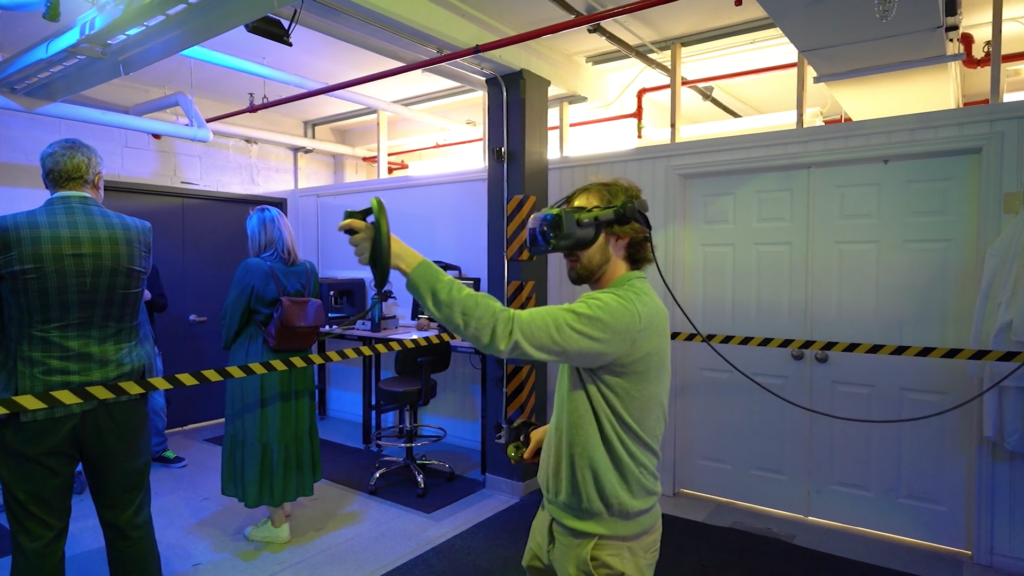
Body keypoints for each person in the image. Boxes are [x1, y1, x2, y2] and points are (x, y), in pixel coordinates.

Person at [340, 179, 671, 576]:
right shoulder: (616, 306)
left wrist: (402, 258)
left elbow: (502, 330)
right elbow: (609, 399)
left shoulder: (621, 312)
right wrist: (557, 429)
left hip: (602, 544)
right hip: (562, 522)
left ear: (620, 235)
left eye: (578, 230)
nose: (564, 248)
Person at [0, 138, 162, 576]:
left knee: (37, 536)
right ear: (99, 180)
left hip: (35, 403)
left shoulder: (9, 231)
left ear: (45, 181)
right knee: (130, 522)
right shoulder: (136, 232)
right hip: (120, 399)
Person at [220, 205, 322, 544]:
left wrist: (227, 343)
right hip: (298, 366)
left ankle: (277, 522)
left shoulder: (252, 268)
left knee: (261, 431)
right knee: (290, 430)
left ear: (257, 235)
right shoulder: (309, 269)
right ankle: (286, 503)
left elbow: (231, 318)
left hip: (258, 363)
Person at [143, 264, 187, 468]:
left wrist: (148, 297)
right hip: (113, 345)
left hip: (147, 345)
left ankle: (159, 449)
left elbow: (162, 304)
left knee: (156, 400)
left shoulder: (149, 268)